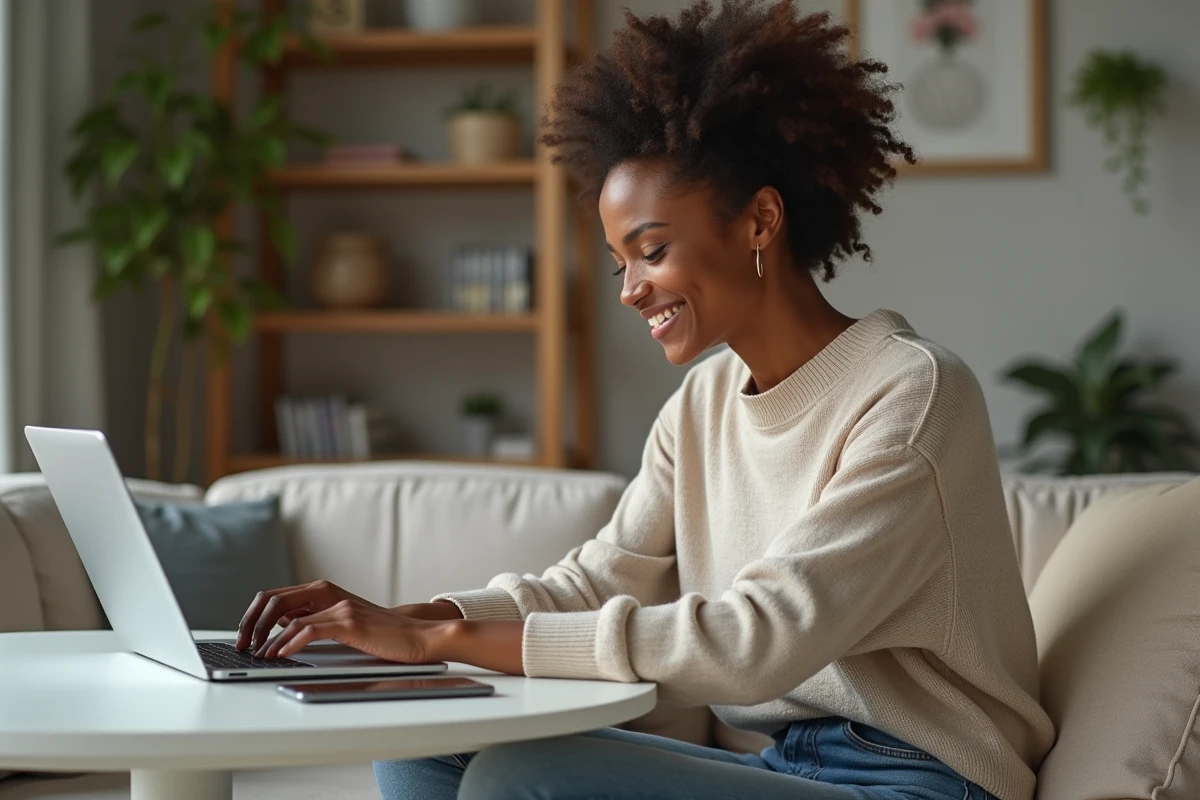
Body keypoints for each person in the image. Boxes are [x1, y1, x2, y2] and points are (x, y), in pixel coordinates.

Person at [236, 2, 1054, 798]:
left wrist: (440, 639)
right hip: (779, 769)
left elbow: (754, 641)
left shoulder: (911, 394)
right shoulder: (700, 407)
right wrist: (403, 620)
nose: (630, 291)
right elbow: (596, 581)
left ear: (761, 220)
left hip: (914, 779)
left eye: (651, 251)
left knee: (524, 775)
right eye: (619, 261)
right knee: (425, 732)